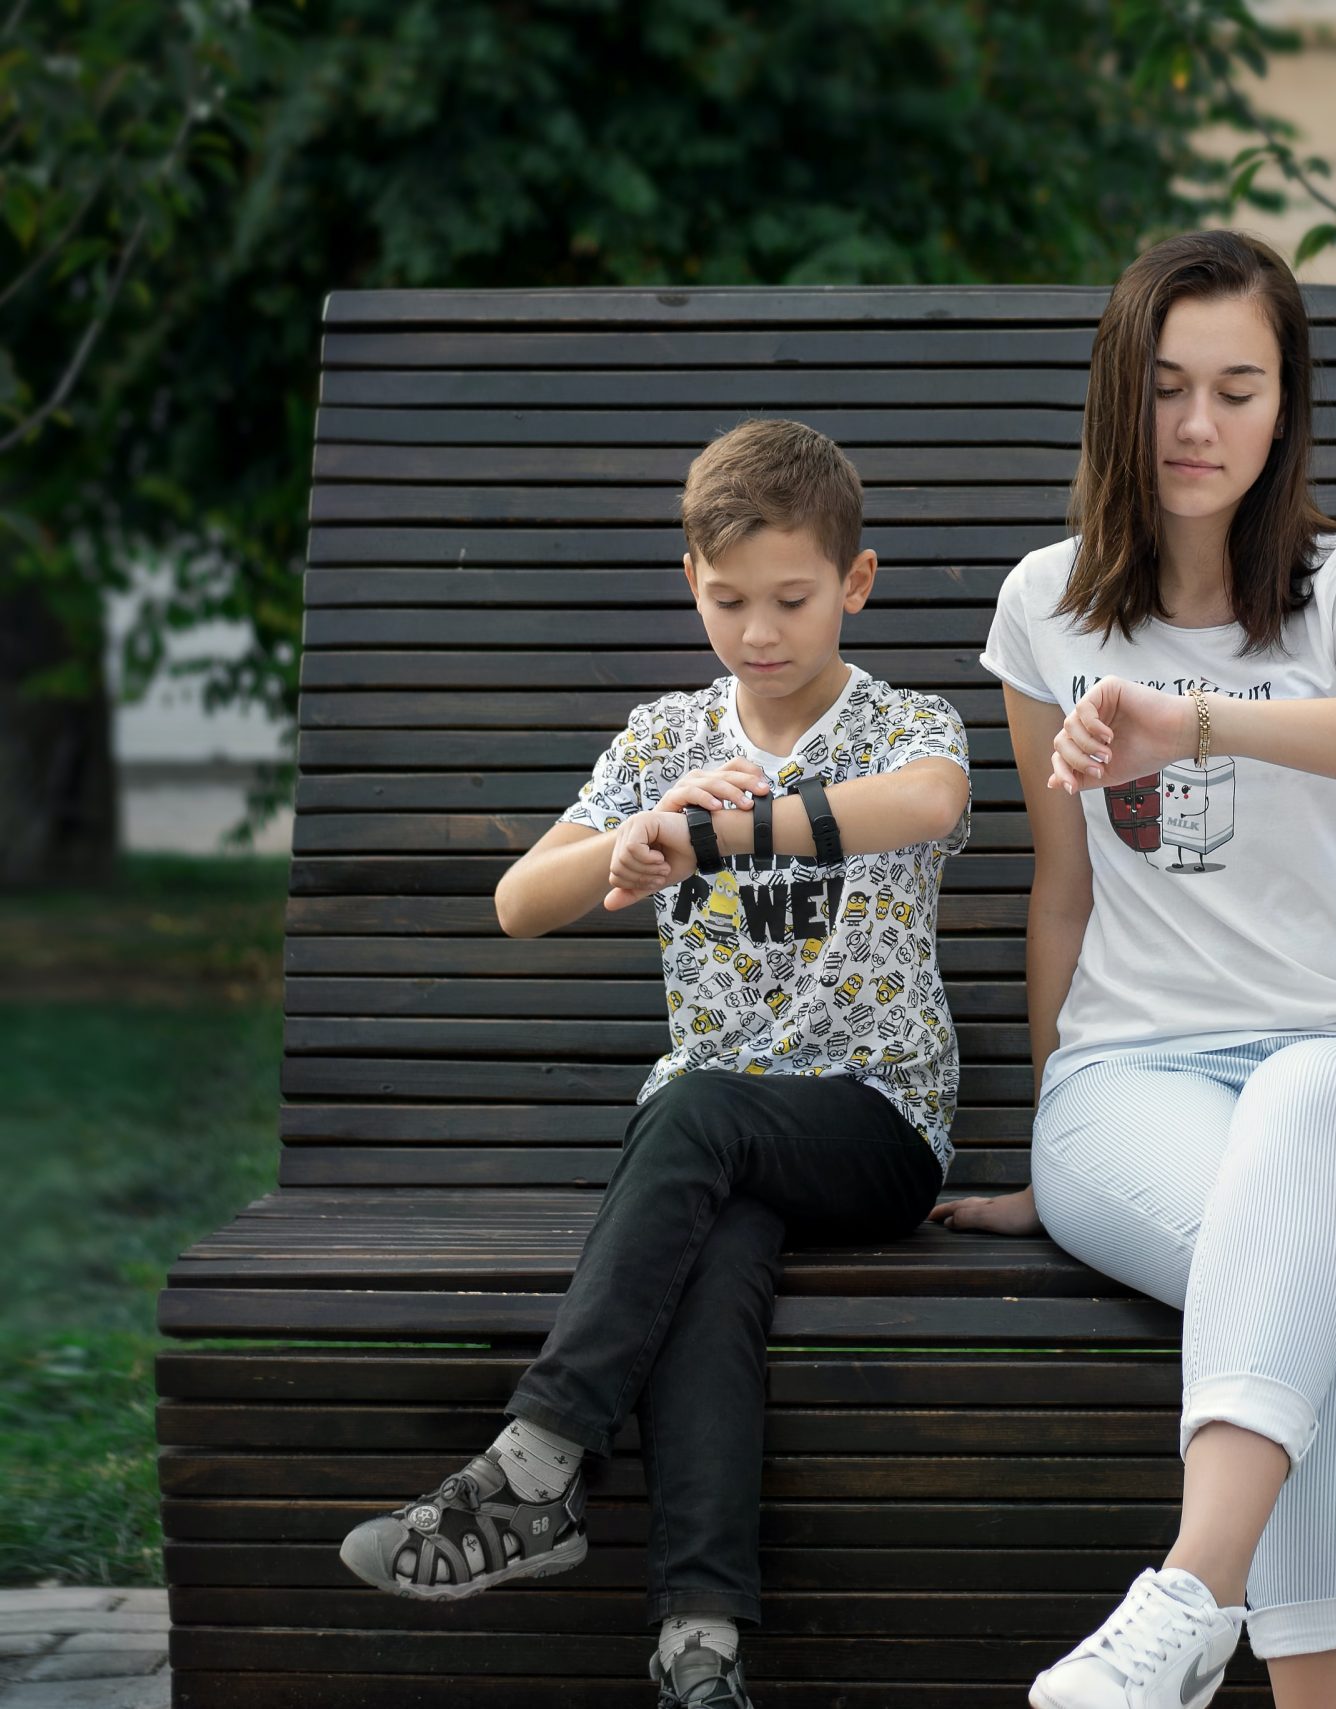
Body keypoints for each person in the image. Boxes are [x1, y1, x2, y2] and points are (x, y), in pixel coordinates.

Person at [930, 229, 1336, 1709]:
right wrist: (1059, 1128)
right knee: (1322, 1280)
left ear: (1285, 402)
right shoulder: (1046, 604)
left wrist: (1204, 723)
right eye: (1168, 386)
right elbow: (1062, 892)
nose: (1197, 427)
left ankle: (1189, 1590)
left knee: (1309, 1128)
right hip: (1137, 1082)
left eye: (1238, 389)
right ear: (1120, 396)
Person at [336, 418, 971, 1709]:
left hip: (873, 1127)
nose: (759, 631)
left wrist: (722, 837)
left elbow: (931, 807)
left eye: (792, 598)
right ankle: (702, 1647)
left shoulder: (907, 719)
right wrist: (635, 833)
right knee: (712, 1264)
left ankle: (534, 1462)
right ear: (692, 578)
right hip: (706, 1150)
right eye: (728, 599)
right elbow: (524, 900)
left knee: (694, 1113)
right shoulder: (664, 735)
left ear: (854, 582)